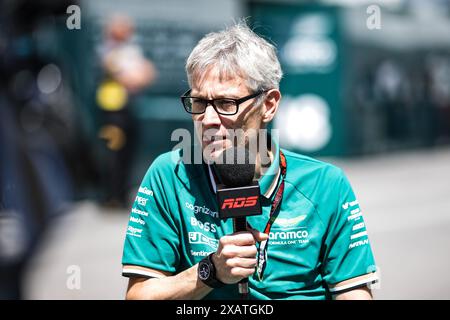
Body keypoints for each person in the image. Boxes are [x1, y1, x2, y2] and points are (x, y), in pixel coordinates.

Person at [121, 23, 378, 300]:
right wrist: (211, 271)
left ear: (268, 105)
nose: (207, 120)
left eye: (226, 104)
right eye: (198, 103)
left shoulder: (326, 184)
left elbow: (354, 294)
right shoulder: (169, 175)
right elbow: (139, 295)